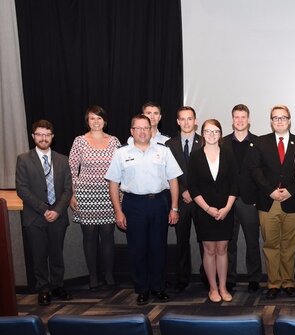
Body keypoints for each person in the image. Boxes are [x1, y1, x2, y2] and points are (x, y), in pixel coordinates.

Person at [106, 114, 181, 305]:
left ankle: (158, 287)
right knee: (137, 249)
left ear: (151, 130)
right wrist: (118, 211)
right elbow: (113, 184)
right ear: (132, 131)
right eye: (137, 128)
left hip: (159, 203)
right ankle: (142, 289)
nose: (142, 131)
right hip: (133, 204)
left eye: (145, 128)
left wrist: (174, 207)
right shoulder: (121, 153)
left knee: (158, 248)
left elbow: (173, 180)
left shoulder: (163, 151)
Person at [16, 119, 73, 306]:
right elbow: (22, 190)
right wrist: (44, 209)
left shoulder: (63, 160)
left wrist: (56, 211)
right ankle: (43, 288)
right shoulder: (24, 159)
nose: (43, 138)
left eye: (47, 135)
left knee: (57, 253)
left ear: (52, 137)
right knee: (39, 254)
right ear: (33, 137)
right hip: (35, 216)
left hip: (58, 215)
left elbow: (67, 189)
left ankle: (57, 285)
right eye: (39, 134)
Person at [247, 105, 295, 299]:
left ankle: (288, 282)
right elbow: (255, 171)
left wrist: (291, 191)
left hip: (291, 201)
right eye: (275, 118)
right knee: (271, 245)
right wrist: (270, 191)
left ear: (289, 120)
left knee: (290, 245)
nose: (279, 121)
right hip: (268, 202)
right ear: (271, 121)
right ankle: (273, 284)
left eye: (283, 117)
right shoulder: (260, 142)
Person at [68, 106, 121, 290]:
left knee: (107, 235)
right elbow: (72, 169)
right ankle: (92, 276)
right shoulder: (79, 141)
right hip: (85, 194)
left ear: (104, 121)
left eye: (99, 118)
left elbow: (121, 168)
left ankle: (109, 275)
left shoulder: (114, 141)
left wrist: (120, 193)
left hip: (109, 194)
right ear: (87, 121)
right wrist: (72, 193)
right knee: (89, 236)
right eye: (92, 118)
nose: (96, 122)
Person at [187, 119, 239, 303]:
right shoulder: (195, 156)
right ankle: (213, 288)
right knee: (209, 250)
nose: (212, 134)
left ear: (220, 134)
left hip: (226, 209)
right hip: (204, 211)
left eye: (215, 131)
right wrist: (208, 209)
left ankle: (224, 287)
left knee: (223, 249)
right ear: (202, 133)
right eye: (208, 131)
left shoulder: (228, 154)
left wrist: (227, 208)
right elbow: (193, 188)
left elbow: (235, 184)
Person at [223, 104, 262, 293]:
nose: (240, 120)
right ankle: (230, 278)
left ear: (248, 119)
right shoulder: (221, 143)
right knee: (229, 242)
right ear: (232, 120)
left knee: (252, 242)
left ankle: (254, 278)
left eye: (243, 117)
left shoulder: (258, 142)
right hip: (227, 201)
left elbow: (262, 173)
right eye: (236, 117)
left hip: (250, 200)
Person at [166, 106, 203, 293]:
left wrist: (194, 192)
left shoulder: (205, 142)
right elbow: (168, 173)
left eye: (190, 119)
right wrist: (183, 191)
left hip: (203, 200)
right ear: (178, 122)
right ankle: (182, 277)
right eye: (183, 119)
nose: (187, 122)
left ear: (195, 121)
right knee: (182, 241)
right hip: (180, 200)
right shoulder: (169, 145)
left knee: (205, 241)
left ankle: (207, 276)